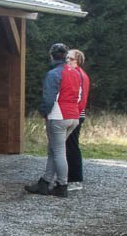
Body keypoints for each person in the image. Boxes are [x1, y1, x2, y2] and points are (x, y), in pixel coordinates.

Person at [25, 43, 87, 198]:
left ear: (51, 56)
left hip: (59, 115)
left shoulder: (54, 74)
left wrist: (44, 113)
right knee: (54, 150)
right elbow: (80, 97)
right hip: (73, 116)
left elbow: (49, 98)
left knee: (58, 152)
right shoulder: (76, 73)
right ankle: (45, 182)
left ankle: (62, 185)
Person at [65, 49, 91, 190]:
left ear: (78, 61)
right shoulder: (75, 74)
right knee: (68, 145)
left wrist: (74, 114)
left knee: (72, 146)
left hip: (76, 115)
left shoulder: (79, 75)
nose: (68, 60)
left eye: (71, 58)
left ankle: (75, 180)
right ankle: (69, 177)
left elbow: (81, 99)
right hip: (74, 114)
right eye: (67, 58)